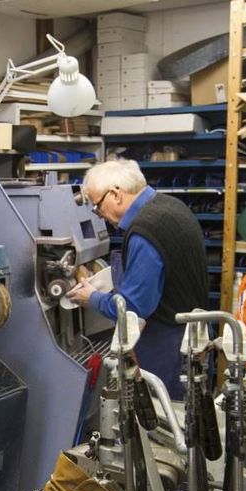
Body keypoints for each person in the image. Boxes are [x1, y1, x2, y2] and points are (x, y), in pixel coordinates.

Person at [66, 159, 208, 399]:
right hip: (192, 334)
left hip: (168, 348)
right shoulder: (170, 206)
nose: (99, 214)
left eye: (97, 206)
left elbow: (132, 309)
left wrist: (92, 298)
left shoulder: (145, 230)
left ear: (115, 195)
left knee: (164, 426)